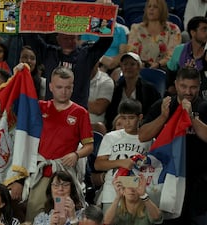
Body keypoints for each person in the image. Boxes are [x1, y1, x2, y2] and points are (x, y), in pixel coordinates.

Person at [138, 67, 207, 225]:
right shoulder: (163, 105)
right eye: (184, 86)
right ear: (175, 85)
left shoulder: (204, 107)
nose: (188, 91)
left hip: (198, 181)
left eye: (193, 87)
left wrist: (191, 118)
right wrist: (163, 117)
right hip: (168, 180)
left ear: (200, 85)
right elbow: (143, 135)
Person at [25, 66, 93, 222]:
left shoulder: (80, 112)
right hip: (41, 173)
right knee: (34, 216)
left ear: (73, 87)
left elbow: (89, 146)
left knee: (63, 217)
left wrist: (76, 154)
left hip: (64, 175)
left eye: (68, 87)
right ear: (50, 86)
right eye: (59, 87)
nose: (64, 91)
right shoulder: (40, 107)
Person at [22, 23, 113, 108]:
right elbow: (31, 37)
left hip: (77, 113)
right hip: (53, 112)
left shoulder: (86, 55)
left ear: (77, 38)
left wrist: (106, 21)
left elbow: (106, 41)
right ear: (58, 39)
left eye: (72, 38)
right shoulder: (49, 54)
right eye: (66, 38)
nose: (69, 41)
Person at [94, 99, 152, 213]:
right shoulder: (110, 137)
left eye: (131, 118)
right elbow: (98, 164)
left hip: (137, 194)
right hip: (112, 193)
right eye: (123, 118)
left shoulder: (147, 139)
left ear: (140, 117)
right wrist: (121, 162)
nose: (127, 122)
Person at [105, 52, 161, 131]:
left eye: (132, 64)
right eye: (125, 64)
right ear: (121, 67)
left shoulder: (149, 89)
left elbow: (154, 113)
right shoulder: (117, 89)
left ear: (139, 67)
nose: (128, 67)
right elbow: (110, 114)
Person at [127, 0, 181, 70]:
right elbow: (132, 51)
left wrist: (158, 64)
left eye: (155, 7)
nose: (151, 9)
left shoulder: (173, 29)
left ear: (162, 10)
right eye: (149, 6)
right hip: (139, 68)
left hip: (164, 68)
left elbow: (172, 54)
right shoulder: (136, 28)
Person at [166, 16, 207, 95]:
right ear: (193, 32)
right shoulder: (179, 50)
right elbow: (170, 71)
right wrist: (171, 87)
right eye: (204, 30)